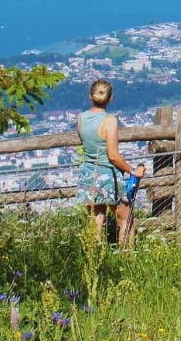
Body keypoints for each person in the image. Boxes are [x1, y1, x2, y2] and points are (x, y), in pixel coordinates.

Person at [76, 78, 137, 247]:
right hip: (108, 175)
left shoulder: (81, 118)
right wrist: (131, 171)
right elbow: (113, 155)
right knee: (125, 218)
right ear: (111, 99)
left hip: (88, 173)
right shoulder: (109, 121)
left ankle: (94, 256)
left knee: (96, 219)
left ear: (91, 96)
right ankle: (127, 257)